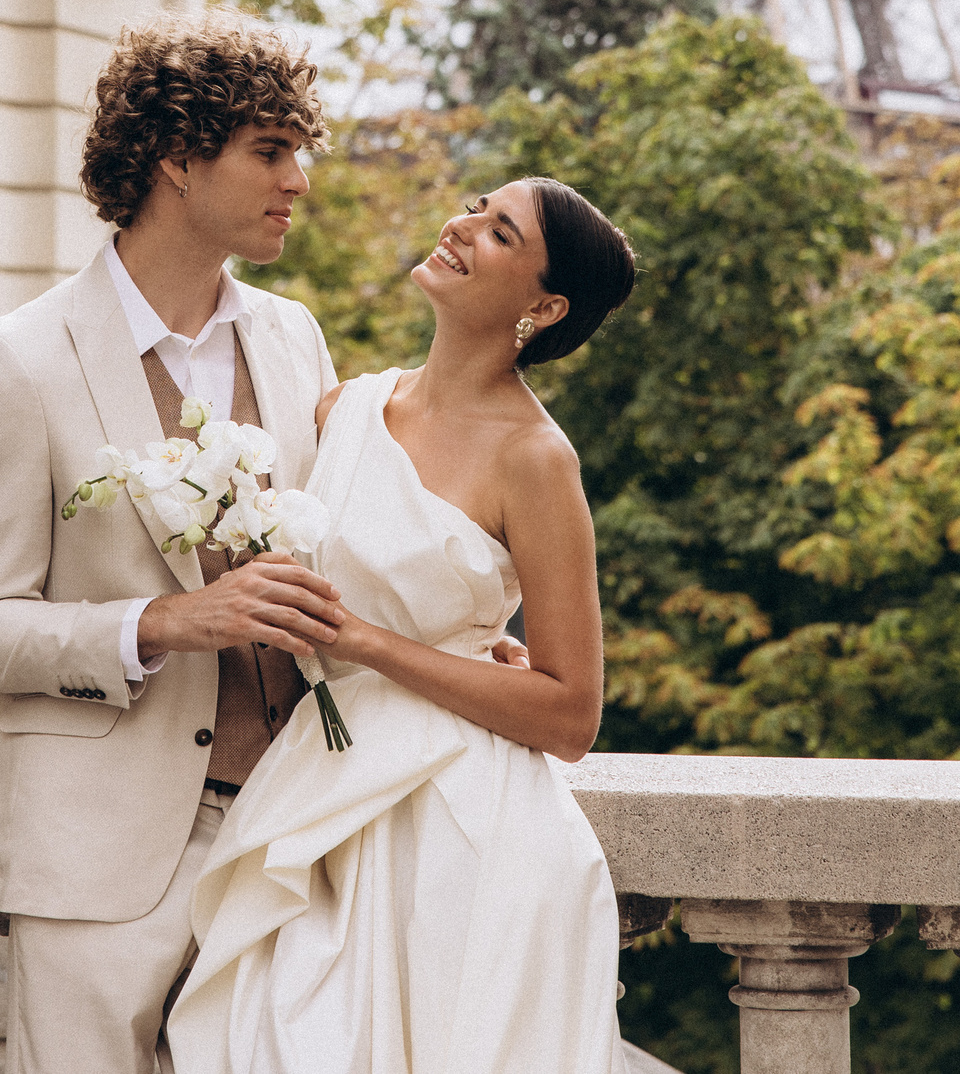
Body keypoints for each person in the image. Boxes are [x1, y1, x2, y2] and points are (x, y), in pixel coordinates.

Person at [0, 10, 352, 1074]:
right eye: (269, 150)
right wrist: (163, 621)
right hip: (96, 850)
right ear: (176, 158)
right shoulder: (17, 362)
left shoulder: (291, 336)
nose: (298, 179)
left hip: (297, 830)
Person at [168, 176, 641, 1074]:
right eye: (475, 206)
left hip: (464, 831)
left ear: (544, 304)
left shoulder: (537, 459)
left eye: (501, 232)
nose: (462, 226)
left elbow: (572, 713)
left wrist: (371, 644)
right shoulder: (340, 410)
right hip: (318, 787)